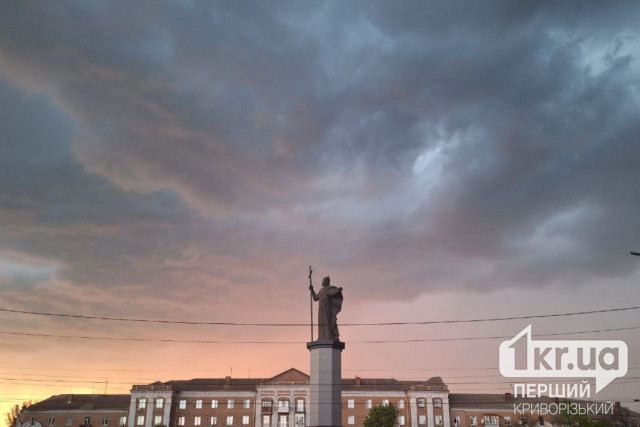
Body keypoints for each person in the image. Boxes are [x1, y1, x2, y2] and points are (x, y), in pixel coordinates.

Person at [309, 276, 343, 341]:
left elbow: (333, 292)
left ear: (326, 281)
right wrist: (312, 290)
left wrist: (338, 290)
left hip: (327, 309)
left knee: (327, 322)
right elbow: (315, 298)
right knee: (321, 323)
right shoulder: (321, 290)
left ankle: (328, 337)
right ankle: (321, 337)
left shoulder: (329, 289)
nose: (322, 281)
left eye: (323, 280)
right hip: (321, 310)